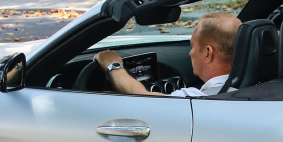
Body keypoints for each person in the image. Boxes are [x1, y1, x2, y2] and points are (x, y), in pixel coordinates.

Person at [93, 12, 241, 97]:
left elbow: (139, 96)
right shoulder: (257, 84)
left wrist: (112, 65)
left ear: (208, 53)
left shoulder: (197, 100)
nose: (190, 53)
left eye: (193, 46)